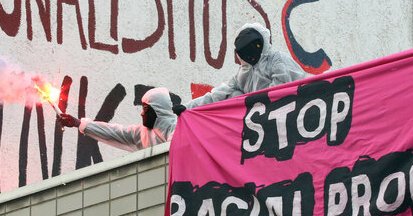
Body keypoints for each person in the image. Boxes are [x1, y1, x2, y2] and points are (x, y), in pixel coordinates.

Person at [173, 23, 306, 114]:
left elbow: (280, 91)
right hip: (261, 119)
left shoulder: (277, 59)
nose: (250, 56)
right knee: (233, 95)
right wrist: (187, 107)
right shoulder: (243, 73)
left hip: (291, 111)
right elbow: (217, 94)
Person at [58, 87, 176, 152]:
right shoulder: (141, 133)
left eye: (145, 109)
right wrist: (79, 123)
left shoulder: (177, 127)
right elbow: (114, 132)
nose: (141, 113)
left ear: (158, 109)